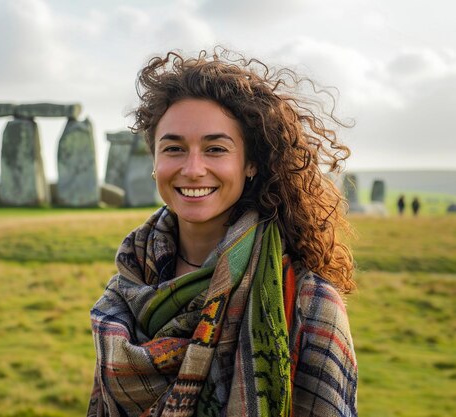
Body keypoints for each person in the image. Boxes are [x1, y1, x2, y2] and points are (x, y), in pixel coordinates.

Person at [88, 49, 357, 417]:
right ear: (154, 162)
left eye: (215, 149)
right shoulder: (130, 284)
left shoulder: (307, 300)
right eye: (174, 148)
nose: (193, 168)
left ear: (250, 164)